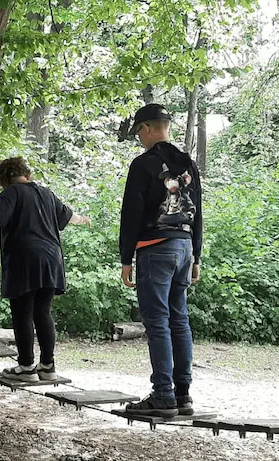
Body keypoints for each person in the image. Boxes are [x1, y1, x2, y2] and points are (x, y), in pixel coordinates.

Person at [0, 157, 91, 382]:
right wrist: (84, 219)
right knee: (43, 312)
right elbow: (69, 216)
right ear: (26, 173)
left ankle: (27, 367)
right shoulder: (46, 193)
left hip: (24, 258)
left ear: (4, 179)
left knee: (22, 313)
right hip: (52, 259)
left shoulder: (12, 192)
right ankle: (47, 366)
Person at [119, 103, 203, 418]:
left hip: (155, 247)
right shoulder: (189, 165)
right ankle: (183, 394)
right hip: (183, 247)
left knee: (157, 323)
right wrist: (196, 255)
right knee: (179, 319)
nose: (139, 138)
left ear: (149, 128)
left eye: (139, 132)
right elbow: (198, 212)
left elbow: (131, 213)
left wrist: (126, 258)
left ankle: (163, 395)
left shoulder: (143, 165)